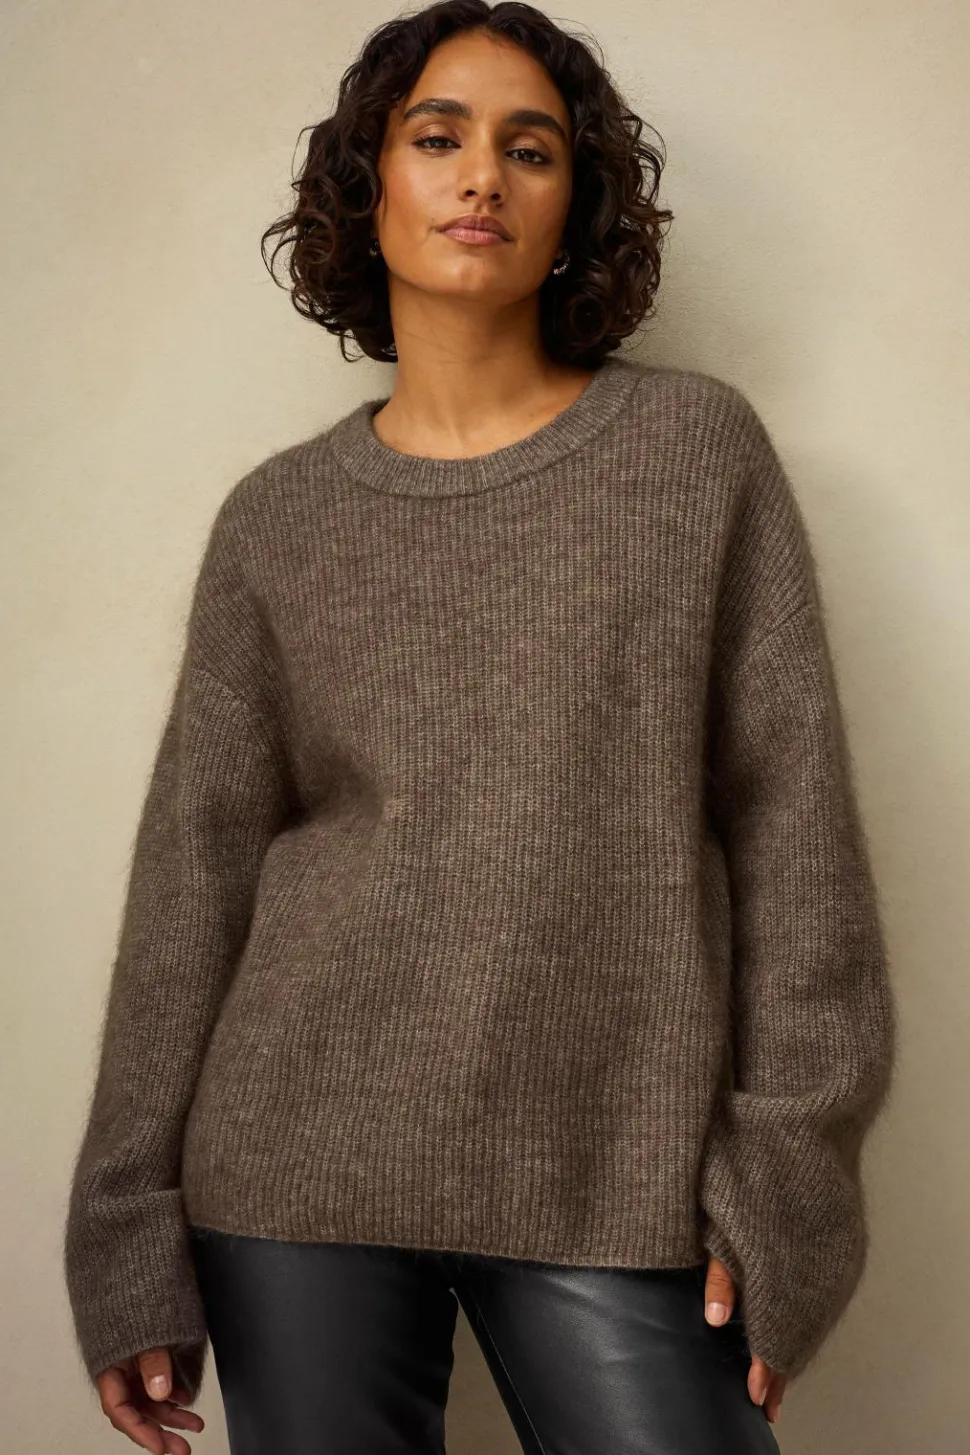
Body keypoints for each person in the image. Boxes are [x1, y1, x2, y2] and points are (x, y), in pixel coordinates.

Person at [62, 2, 897, 1452]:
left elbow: (795, 842)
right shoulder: (279, 521)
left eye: (531, 149)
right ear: (368, 184)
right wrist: (126, 1227)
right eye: (436, 136)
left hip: (613, 1168)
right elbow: (191, 883)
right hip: (295, 1170)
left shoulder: (692, 455)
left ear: (575, 205)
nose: (480, 176)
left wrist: (786, 1187)